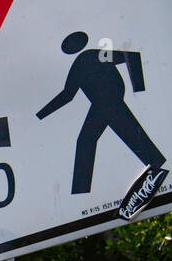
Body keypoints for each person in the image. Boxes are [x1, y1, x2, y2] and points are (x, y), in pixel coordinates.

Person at [36, 30, 165, 194]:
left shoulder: (94, 55)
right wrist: (41, 114)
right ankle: (156, 164)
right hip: (103, 102)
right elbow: (68, 95)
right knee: (121, 133)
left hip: (109, 100)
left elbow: (130, 56)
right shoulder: (79, 64)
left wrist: (138, 87)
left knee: (89, 139)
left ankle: (81, 190)